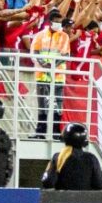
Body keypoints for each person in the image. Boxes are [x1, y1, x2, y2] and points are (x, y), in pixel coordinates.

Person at [31, 9, 69, 138]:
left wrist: (52, 65)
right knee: (42, 104)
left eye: (60, 22)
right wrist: (44, 64)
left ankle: (55, 132)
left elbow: (65, 54)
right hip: (42, 75)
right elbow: (34, 52)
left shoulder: (64, 36)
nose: (59, 24)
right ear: (50, 22)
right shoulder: (40, 35)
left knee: (57, 104)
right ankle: (40, 132)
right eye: (56, 22)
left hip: (57, 77)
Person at [41, 122, 102, 191]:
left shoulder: (58, 157)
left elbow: (47, 182)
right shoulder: (91, 159)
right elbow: (99, 184)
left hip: (61, 200)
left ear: (65, 138)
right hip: (85, 200)